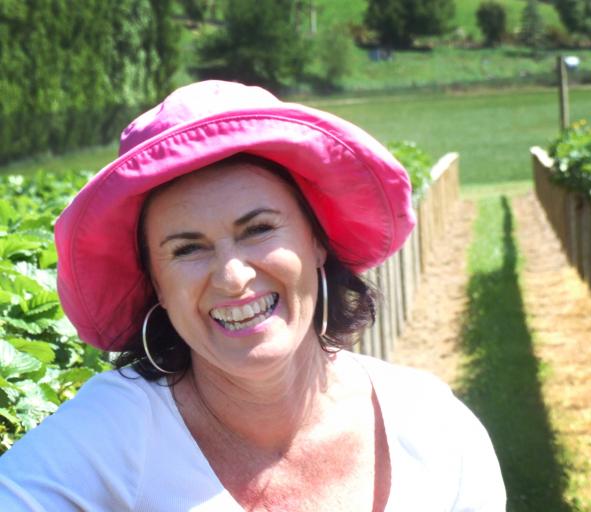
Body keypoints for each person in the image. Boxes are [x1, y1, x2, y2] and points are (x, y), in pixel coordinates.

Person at [0, 80, 506, 511]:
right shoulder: (103, 442)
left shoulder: (433, 426)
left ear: (316, 240)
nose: (233, 276)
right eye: (187, 249)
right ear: (155, 282)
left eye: (259, 228)